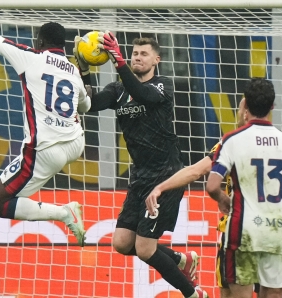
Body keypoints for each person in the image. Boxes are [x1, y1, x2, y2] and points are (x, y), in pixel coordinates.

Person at [145, 94, 282, 297]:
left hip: (239, 232)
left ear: (245, 111)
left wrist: (161, 187)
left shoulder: (230, 144)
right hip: (273, 233)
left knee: (231, 292)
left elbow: (197, 172)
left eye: (241, 105)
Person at [76, 32, 207, 298]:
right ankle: (182, 260)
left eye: (143, 54)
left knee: (146, 249)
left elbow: (142, 93)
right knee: (122, 243)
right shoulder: (117, 90)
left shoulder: (162, 86)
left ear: (156, 60)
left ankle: (193, 293)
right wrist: (84, 69)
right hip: (140, 176)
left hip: (166, 176)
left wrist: (120, 63)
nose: (138, 57)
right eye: (135, 53)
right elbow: (87, 105)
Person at [0, 0, 90, 246]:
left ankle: (64, 213)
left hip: (45, 149)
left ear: (40, 42)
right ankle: (59, 210)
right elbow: (86, 106)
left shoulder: (31, 57)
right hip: (76, 143)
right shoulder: (73, 70)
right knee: (14, 193)